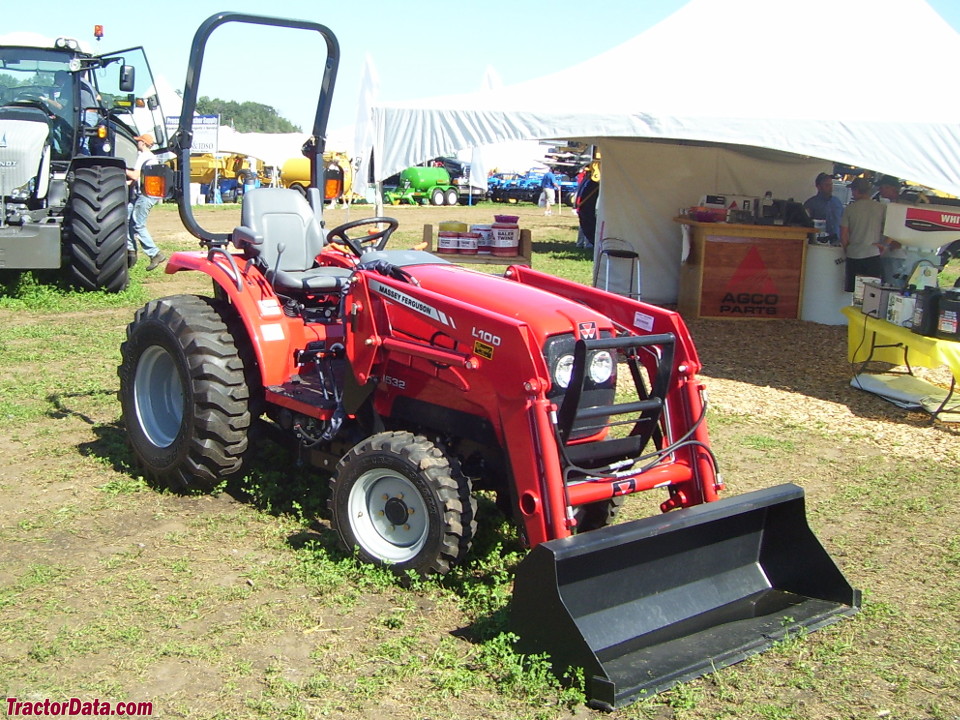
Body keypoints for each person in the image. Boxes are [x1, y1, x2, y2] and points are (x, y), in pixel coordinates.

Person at [839, 177, 886, 293]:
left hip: (854, 255)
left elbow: (843, 234)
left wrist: (847, 249)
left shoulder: (849, 209)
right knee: (871, 294)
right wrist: (884, 245)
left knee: (853, 293)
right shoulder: (881, 208)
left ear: (855, 191)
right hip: (873, 254)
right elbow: (890, 231)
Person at [126, 133, 165, 270]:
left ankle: (155, 253)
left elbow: (135, 175)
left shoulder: (144, 156)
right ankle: (130, 250)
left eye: (139, 141)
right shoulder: (151, 157)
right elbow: (134, 180)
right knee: (127, 217)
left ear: (143, 143)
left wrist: (120, 168)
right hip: (144, 193)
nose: (137, 144)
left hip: (146, 194)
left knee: (138, 224)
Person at [875, 175, 908, 286]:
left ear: (891, 188)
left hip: (895, 254)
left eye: (882, 187)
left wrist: (884, 245)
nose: (880, 190)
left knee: (893, 287)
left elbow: (895, 228)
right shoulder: (894, 205)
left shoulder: (898, 205)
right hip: (892, 254)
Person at [803, 172, 843, 244]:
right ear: (818, 187)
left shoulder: (837, 202)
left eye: (831, 184)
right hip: (818, 243)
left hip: (837, 243)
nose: (830, 187)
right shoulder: (811, 204)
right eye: (827, 185)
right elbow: (804, 225)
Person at [575, 162, 600, 249]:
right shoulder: (589, 182)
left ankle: (583, 243)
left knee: (584, 225)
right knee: (586, 224)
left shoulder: (586, 181)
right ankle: (587, 244)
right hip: (585, 207)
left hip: (583, 206)